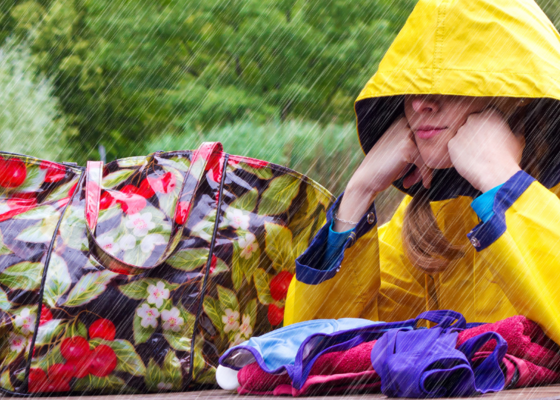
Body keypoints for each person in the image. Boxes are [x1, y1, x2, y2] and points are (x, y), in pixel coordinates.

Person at [284, 0, 560, 347]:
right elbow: (310, 347)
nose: (420, 104)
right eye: (411, 85)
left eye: (453, 83)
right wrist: (357, 193)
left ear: (517, 94)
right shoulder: (428, 218)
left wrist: (503, 179)